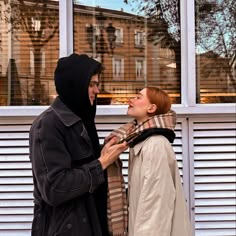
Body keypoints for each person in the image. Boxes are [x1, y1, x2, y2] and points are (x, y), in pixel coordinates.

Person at [29, 53, 128, 236]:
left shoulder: (81, 120)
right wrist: (102, 162)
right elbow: (55, 187)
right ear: (74, 86)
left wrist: (104, 151)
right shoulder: (48, 125)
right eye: (91, 84)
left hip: (91, 223)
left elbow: (81, 165)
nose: (97, 90)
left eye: (97, 84)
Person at [106, 87, 192, 236]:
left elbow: (154, 209)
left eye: (138, 97)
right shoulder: (138, 140)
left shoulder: (154, 145)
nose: (130, 100)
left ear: (151, 108)